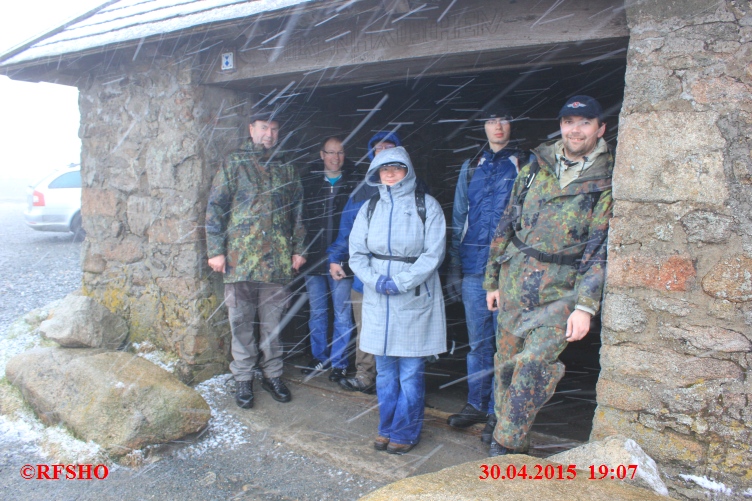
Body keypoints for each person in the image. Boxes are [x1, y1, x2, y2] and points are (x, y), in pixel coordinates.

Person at [483, 95, 613, 456]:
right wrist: (491, 280)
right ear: (561, 126)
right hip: (514, 279)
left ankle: (505, 443)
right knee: (506, 365)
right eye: (569, 122)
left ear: (599, 128)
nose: (576, 129)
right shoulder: (535, 167)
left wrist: (585, 306)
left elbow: (599, 248)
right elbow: (506, 222)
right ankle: (512, 439)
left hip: (560, 290)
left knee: (534, 364)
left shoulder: (606, 179)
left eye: (585, 122)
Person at [205, 111, 307, 409]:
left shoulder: (286, 167)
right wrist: (215, 250)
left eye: (274, 129)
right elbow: (215, 207)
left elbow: (298, 211)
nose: (269, 135)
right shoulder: (234, 163)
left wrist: (300, 248)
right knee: (241, 324)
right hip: (239, 262)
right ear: (251, 129)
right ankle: (244, 378)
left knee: (273, 326)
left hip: (275, 263)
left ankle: (273, 374)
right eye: (264, 128)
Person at [349, 146, 446, 455]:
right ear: (376, 173)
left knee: (411, 372)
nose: (390, 173)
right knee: (386, 372)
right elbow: (356, 253)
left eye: (397, 168)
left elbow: (433, 254)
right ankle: (386, 427)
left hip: (413, 297)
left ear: (408, 170)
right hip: (378, 297)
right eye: (384, 169)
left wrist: (401, 281)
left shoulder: (426, 206)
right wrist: (375, 280)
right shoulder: (369, 208)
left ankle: (405, 431)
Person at [444, 104, 527, 443]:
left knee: (505, 345)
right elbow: (458, 219)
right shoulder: (470, 168)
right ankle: (476, 404)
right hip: (474, 270)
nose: (497, 127)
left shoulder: (524, 164)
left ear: (511, 124)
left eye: (503, 119)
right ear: (483, 126)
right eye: (491, 121)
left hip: (508, 269)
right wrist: (454, 266)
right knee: (477, 343)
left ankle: (498, 412)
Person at [328, 131, 404, 394]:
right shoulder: (363, 191)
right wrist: (336, 257)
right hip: (365, 276)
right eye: (378, 148)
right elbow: (346, 229)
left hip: (400, 278)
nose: (383, 152)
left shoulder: (416, 191)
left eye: (389, 147)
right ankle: (365, 375)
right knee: (366, 328)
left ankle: (394, 381)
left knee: (399, 329)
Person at [299, 136, 359, 382]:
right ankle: (318, 358)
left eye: (340, 153)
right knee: (318, 312)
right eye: (331, 153)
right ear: (321, 154)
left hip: (342, 258)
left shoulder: (355, 182)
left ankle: (340, 363)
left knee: (342, 313)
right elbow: (300, 219)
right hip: (314, 257)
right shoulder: (309, 182)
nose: (335, 158)